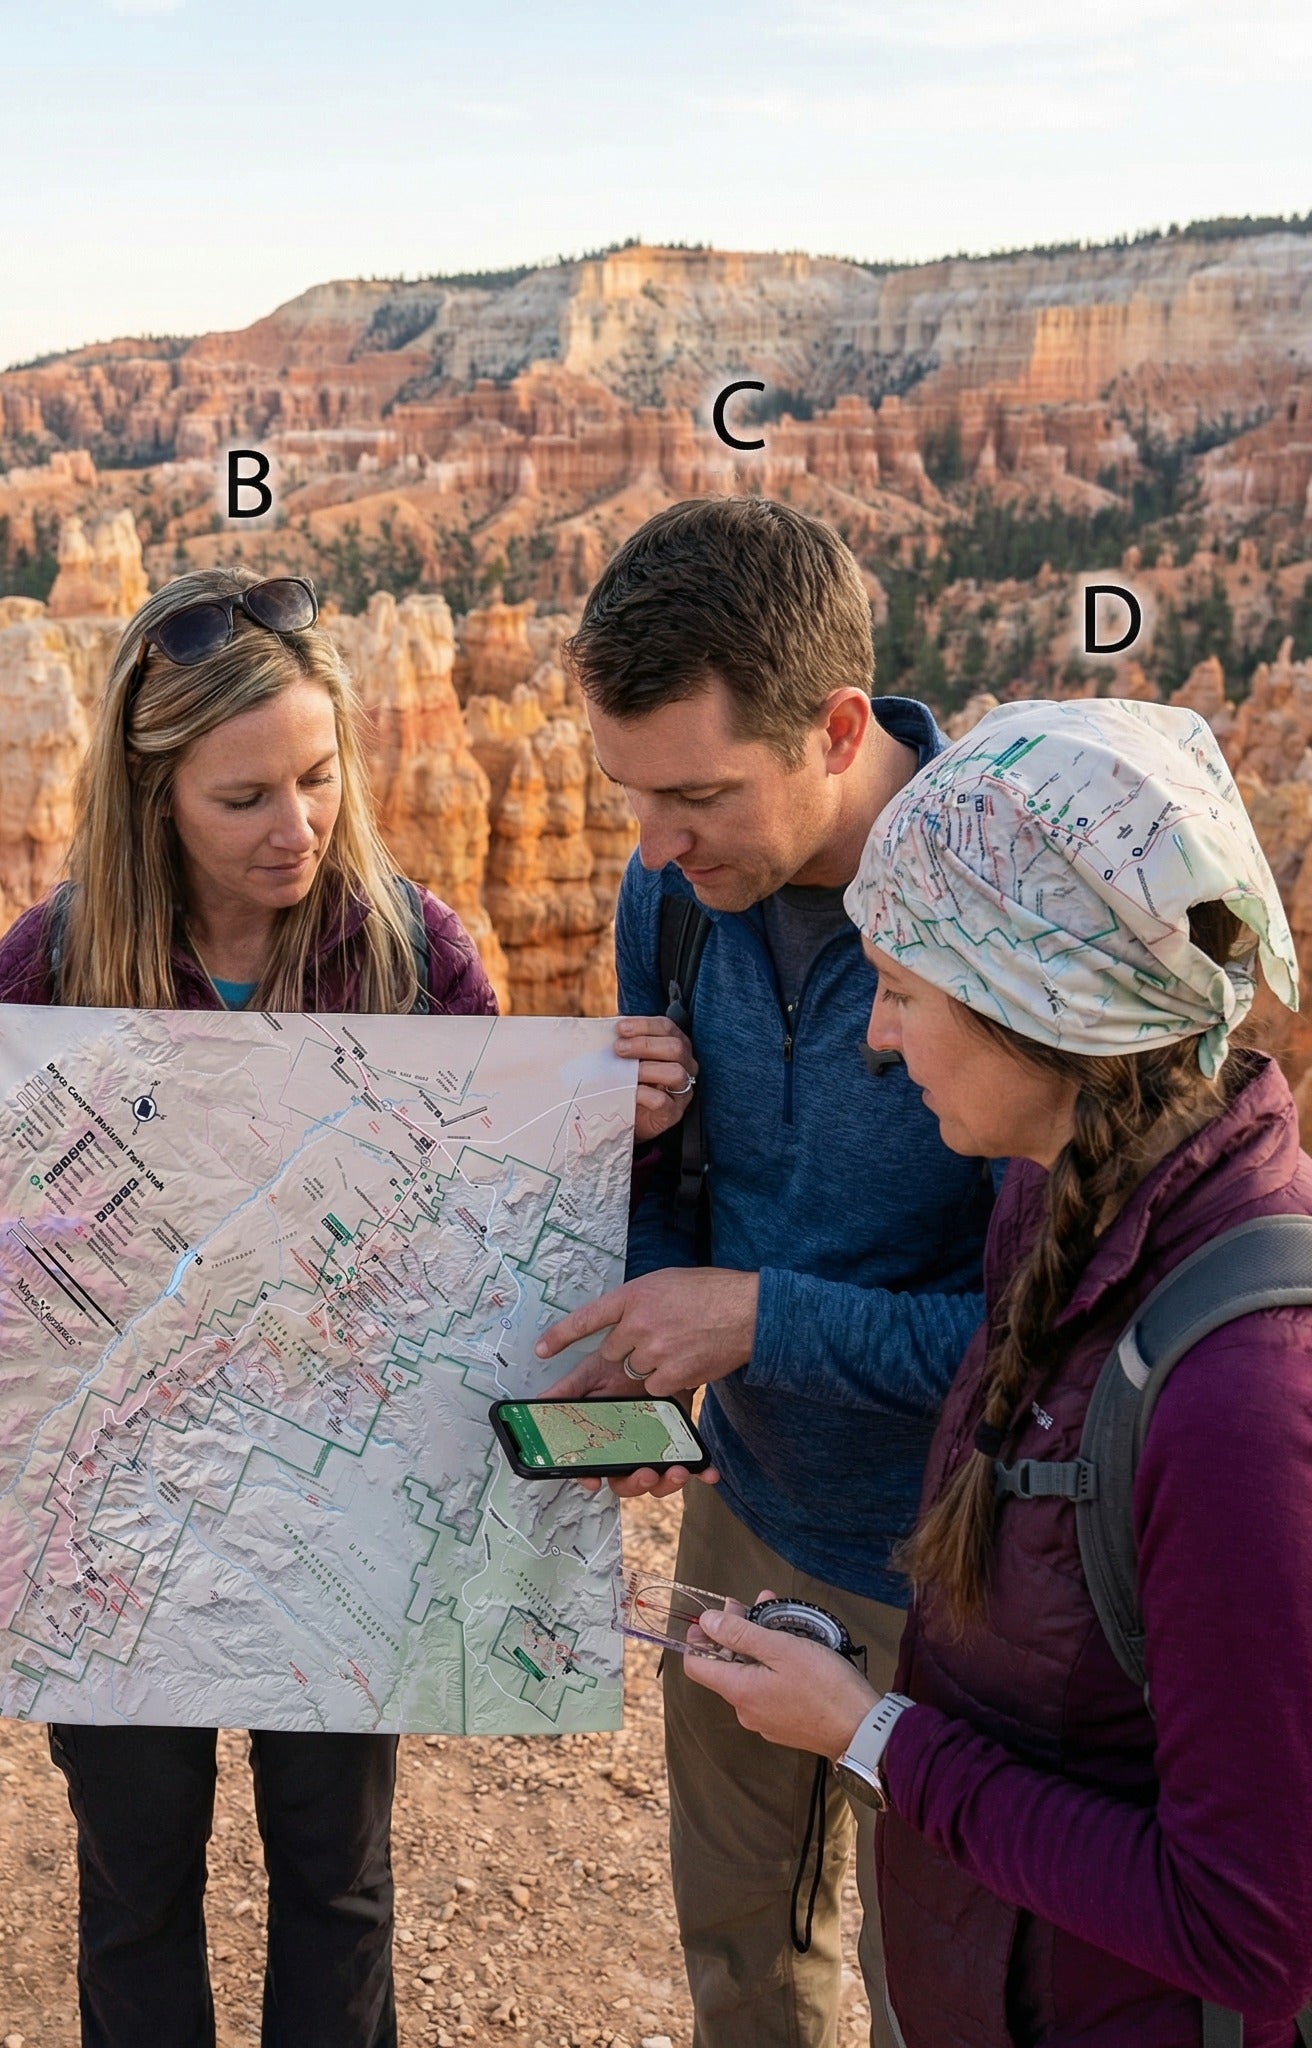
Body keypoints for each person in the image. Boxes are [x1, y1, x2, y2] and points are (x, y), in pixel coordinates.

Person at [0, 567, 537, 2048]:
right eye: (244, 797)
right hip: (120, 1511)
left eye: (318, 778)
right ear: (155, 794)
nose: (297, 827)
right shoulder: (52, 969)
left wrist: (613, 1128)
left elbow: (491, 1237)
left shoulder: (415, 956)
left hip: (338, 1506)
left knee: (339, 1877)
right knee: (135, 1886)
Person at [683, 696, 1312, 2046]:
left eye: (905, 991)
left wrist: (876, 1740)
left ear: (1041, 1002)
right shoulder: (1055, 1202)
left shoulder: (1240, 1400)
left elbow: (1250, 1928)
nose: (877, 1036)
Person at [534, 497, 995, 2047]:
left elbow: (1054, 1347)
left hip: (964, 1559)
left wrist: (753, 1320)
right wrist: (659, 1349)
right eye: (633, 798)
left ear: (837, 727)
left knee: (935, 1977)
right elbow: (663, 1178)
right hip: (747, 1513)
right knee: (741, 1958)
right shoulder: (675, 898)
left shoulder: (1004, 915)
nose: (656, 847)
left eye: (699, 797)